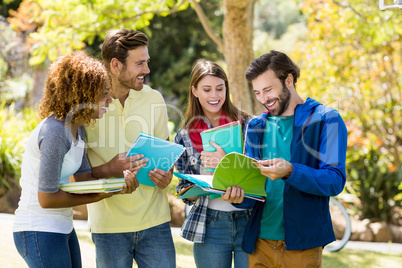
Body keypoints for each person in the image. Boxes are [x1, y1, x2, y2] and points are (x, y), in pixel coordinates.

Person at [12, 50, 139, 268]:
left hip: (62, 227)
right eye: (104, 94)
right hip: (37, 228)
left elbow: (83, 180)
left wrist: (117, 186)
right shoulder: (55, 131)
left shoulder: (78, 129)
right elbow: (47, 198)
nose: (110, 100)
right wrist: (100, 196)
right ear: (83, 95)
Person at [233, 50, 348, 267]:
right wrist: (237, 195)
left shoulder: (326, 119)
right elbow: (253, 190)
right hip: (259, 244)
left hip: (302, 246)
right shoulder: (256, 127)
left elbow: (334, 180)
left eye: (268, 89)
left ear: (289, 79)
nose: (263, 99)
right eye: (257, 92)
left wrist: (290, 171)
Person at [84, 29, 176, 268]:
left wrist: (167, 175)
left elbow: (165, 156)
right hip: (109, 227)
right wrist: (111, 169)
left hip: (155, 223)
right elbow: (78, 172)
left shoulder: (154, 99)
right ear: (116, 64)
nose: (146, 70)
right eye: (140, 63)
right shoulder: (89, 106)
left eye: (147, 62)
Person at [175, 59, 252, 268]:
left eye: (220, 88)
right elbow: (183, 189)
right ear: (195, 91)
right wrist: (200, 186)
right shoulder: (184, 136)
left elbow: (260, 172)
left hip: (249, 220)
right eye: (207, 89)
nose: (214, 96)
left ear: (227, 88)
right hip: (209, 224)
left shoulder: (248, 126)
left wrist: (227, 163)